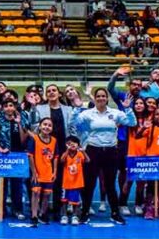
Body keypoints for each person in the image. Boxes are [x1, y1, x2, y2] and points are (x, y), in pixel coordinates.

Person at [71, 87, 136, 225]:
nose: (101, 98)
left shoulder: (115, 113)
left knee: (110, 184)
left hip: (111, 151)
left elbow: (132, 122)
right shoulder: (87, 113)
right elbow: (73, 123)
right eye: (98, 96)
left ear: (107, 98)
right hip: (92, 151)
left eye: (103, 96)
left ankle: (115, 213)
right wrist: (77, 109)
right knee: (89, 184)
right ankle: (85, 212)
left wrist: (127, 108)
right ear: (95, 98)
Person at [26, 118, 57, 227]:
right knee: (35, 193)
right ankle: (34, 215)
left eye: (49, 125)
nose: (46, 127)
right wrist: (34, 172)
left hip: (48, 172)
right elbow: (30, 156)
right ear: (40, 126)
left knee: (47, 194)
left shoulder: (54, 141)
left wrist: (55, 171)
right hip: (37, 172)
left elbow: (56, 157)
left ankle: (42, 214)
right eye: (44, 124)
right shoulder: (34, 139)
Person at [58, 136, 88, 225]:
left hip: (76, 183)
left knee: (75, 201)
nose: (73, 144)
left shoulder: (79, 154)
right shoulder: (66, 154)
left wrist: (83, 151)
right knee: (64, 201)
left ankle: (75, 216)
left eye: (75, 143)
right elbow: (61, 160)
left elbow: (87, 160)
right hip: (66, 183)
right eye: (70, 143)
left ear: (78, 145)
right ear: (66, 145)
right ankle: (64, 216)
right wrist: (67, 150)